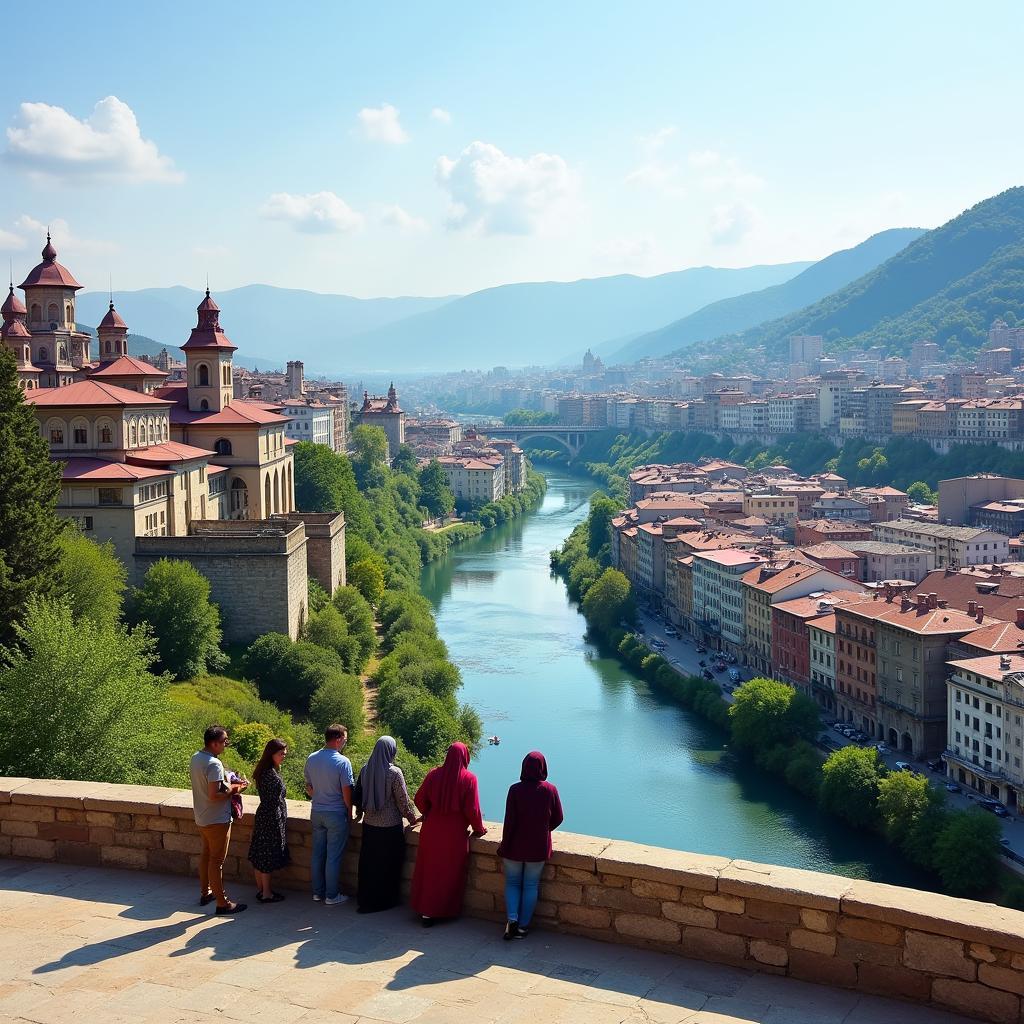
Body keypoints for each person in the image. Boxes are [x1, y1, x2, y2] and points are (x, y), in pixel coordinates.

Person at [409, 741, 486, 926]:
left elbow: (419, 799)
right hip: (454, 834)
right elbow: (473, 810)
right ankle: (442, 911)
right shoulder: (469, 779)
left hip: (431, 830)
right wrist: (479, 829)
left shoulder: (433, 774)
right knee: (448, 873)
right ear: (465, 757)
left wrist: (428, 813)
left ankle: (425, 910)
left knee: (428, 871)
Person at [497, 751, 563, 939]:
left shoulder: (515, 790)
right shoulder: (550, 790)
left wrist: (504, 845)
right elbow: (558, 818)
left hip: (514, 846)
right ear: (543, 768)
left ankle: (512, 920)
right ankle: (523, 927)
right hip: (538, 847)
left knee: (512, 882)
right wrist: (543, 830)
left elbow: (509, 822)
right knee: (531, 885)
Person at [353, 736, 419, 913]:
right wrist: (412, 818)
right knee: (388, 865)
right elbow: (403, 801)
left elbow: (358, 794)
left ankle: (367, 900)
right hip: (390, 827)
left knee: (369, 865)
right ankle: (385, 900)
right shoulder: (394, 773)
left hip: (369, 825)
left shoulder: (366, 769)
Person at [189, 725, 248, 914]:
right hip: (217, 819)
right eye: (224, 741)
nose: (226, 745)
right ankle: (222, 903)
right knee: (216, 861)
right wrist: (237, 788)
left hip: (202, 816)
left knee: (206, 855)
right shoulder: (214, 764)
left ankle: (205, 892)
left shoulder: (196, 758)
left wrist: (228, 786)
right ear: (214, 743)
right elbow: (215, 794)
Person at [304, 723, 354, 905]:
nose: (345, 743)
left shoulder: (311, 758)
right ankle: (332, 896)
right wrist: (349, 811)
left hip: (317, 811)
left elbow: (309, 788)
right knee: (333, 856)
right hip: (335, 813)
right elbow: (347, 790)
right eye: (345, 740)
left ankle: (317, 893)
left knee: (317, 854)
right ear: (338, 739)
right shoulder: (342, 761)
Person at [248, 738, 290, 903]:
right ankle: (266, 893)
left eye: (285, 753)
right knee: (266, 855)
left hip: (264, 815)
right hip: (271, 817)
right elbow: (275, 799)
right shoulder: (271, 775)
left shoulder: (264, 770)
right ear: (271, 754)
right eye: (281, 754)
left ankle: (261, 889)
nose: (283, 756)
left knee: (259, 854)